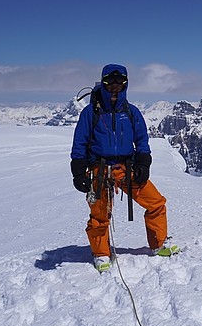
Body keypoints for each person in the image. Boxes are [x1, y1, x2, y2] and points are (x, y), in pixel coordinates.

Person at [71, 64, 176, 271]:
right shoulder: (90, 113)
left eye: (120, 82)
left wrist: (143, 164)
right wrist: (78, 172)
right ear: (104, 82)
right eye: (111, 82)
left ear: (125, 84)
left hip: (127, 168)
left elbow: (142, 141)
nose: (115, 87)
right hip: (99, 170)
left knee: (155, 203)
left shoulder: (131, 112)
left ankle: (158, 243)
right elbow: (79, 144)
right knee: (100, 214)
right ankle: (101, 253)